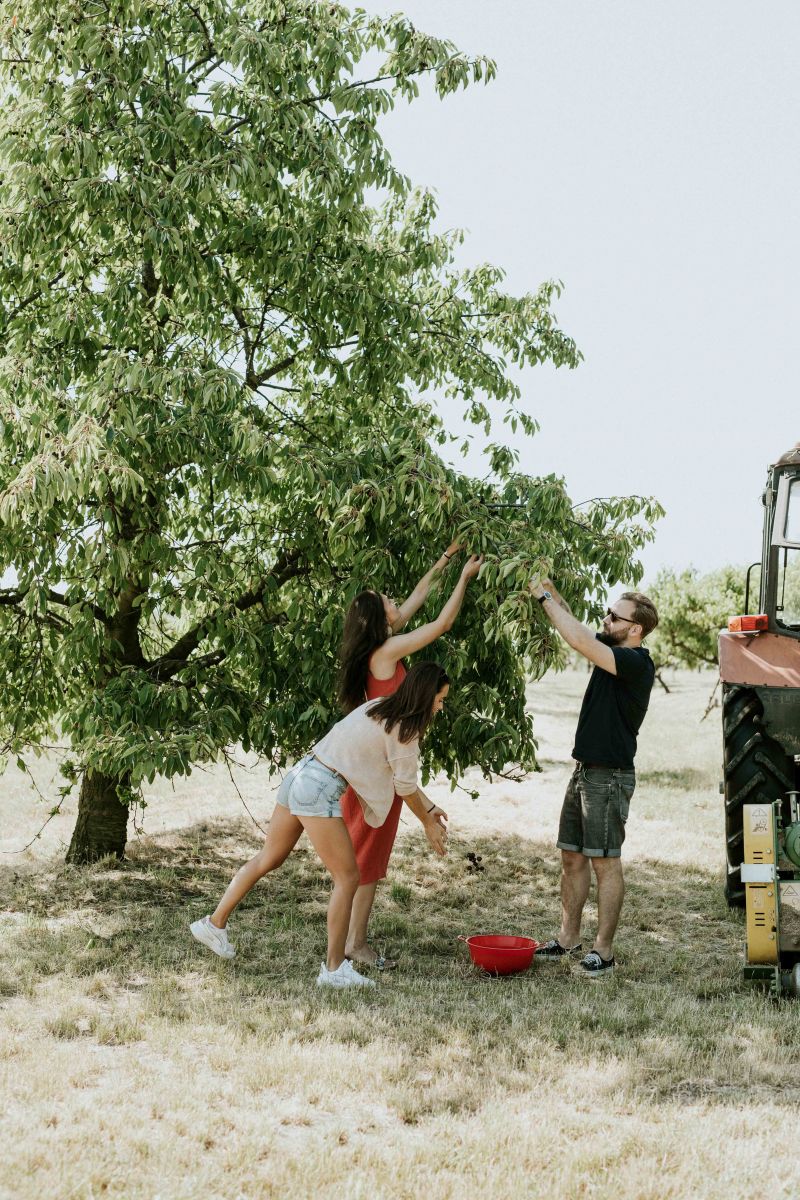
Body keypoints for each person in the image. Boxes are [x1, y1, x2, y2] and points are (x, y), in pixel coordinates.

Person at [190, 663, 451, 989]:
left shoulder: (378, 707)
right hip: (320, 790)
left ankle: (213, 924)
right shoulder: (405, 731)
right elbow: (405, 787)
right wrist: (427, 821)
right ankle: (333, 969)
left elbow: (404, 783)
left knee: (268, 857)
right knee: (349, 877)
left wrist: (428, 809)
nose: (441, 707)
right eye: (440, 699)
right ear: (425, 695)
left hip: (301, 774)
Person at [338, 545, 483, 970]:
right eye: (387, 600)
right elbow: (441, 623)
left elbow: (418, 598)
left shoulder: (381, 649)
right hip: (379, 773)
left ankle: (351, 939)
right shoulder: (385, 654)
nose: (394, 601)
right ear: (381, 618)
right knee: (365, 864)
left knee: (367, 862)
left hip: (376, 766)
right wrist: (463, 579)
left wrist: (444, 560)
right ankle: (355, 944)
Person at [528, 579, 658, 978]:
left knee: (605, 863)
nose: (606, 618)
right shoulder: (612, 649)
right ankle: (568, 938)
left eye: (614, 616)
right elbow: (583, 631)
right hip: (584, 770)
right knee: (572, 856)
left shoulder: (635, 663)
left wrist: (544, 598)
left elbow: (581, 641)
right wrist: (552, 588)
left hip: (610, 776)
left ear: (634, 628)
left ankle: (604, 950)